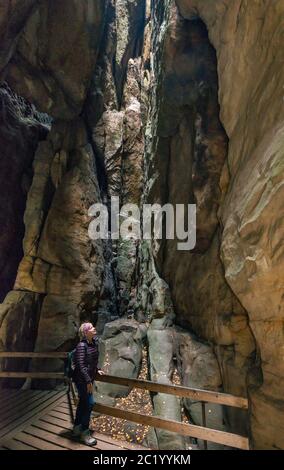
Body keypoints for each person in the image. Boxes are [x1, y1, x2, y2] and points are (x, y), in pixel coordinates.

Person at [72, 322, 104, 446]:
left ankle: (76, 428)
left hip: (88, 379)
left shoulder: (93, 343)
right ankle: (85, 433)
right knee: (89, 404)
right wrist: (88, 381)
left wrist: (97, 370)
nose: (94, 328)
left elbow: (92, 361)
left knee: (82, 403)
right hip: (82, 380)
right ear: (86, 332)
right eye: (91, 328)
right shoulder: (81, 345)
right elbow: (80, 365)